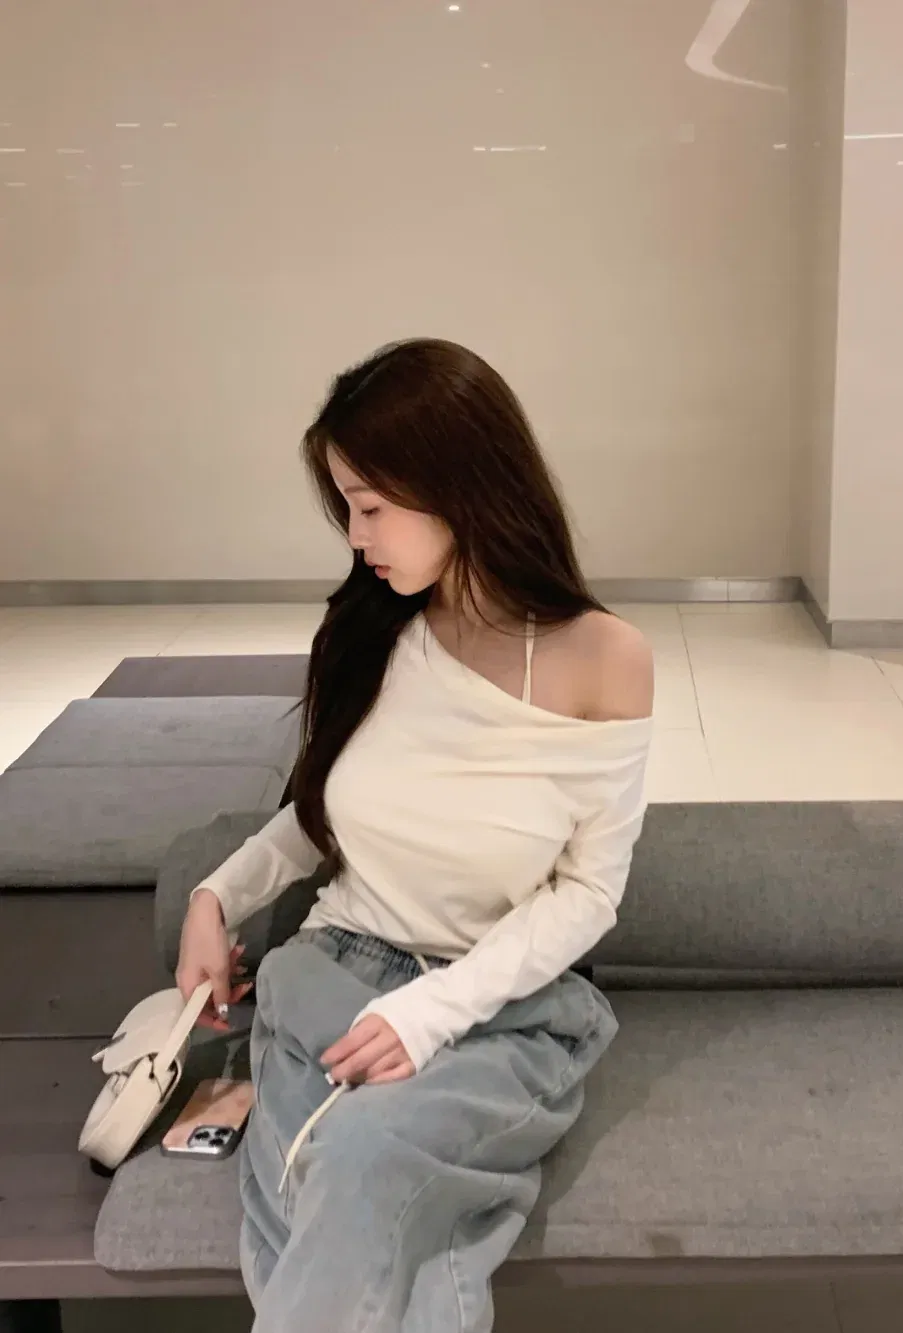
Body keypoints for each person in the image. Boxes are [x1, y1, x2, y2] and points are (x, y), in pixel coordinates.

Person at [175, 338, 654, 1332]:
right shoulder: (379, 631)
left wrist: (430, 1012)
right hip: (332, 975)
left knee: (352, 1161)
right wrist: (213, 895)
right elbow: (322, 812)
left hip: (496, 1004)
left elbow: (589, 893)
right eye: (347, 508)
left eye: (369, 506)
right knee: (363, 1207)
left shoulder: (604, 658)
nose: (356, 538)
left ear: (457, 483)